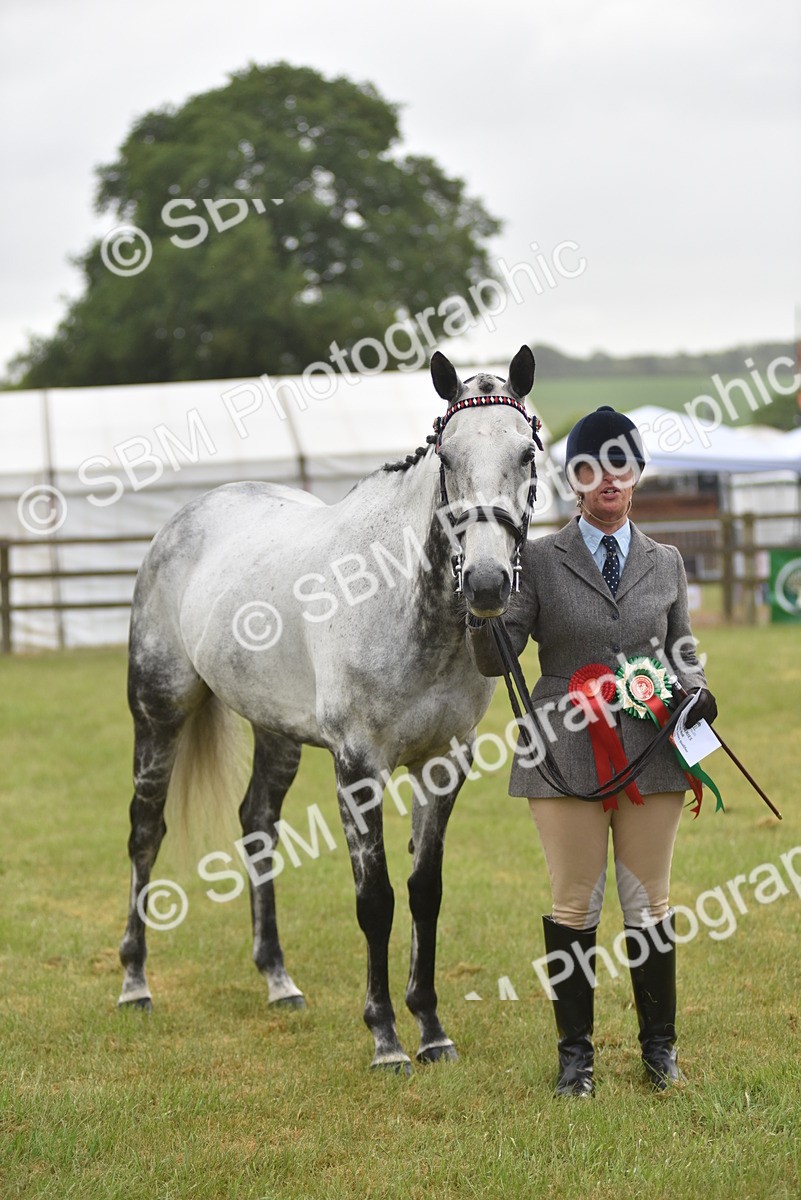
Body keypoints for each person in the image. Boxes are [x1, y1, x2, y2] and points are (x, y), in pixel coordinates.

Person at [466, 405, 717, 1097]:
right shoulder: (537, 560)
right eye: (590, 466)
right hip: (564, 748)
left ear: (635, 474)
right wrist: (482, 611)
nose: (606, 478)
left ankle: (657, 1052)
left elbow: (680, 650)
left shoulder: (664, 562)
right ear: (572, 479)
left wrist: (696, 690)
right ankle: (575, 1059)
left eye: (619, 464)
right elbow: (496, 659)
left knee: (649, 904)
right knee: (574, 904)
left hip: (652, 747)